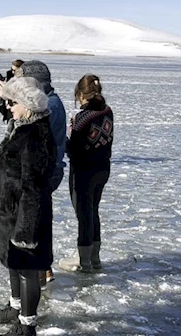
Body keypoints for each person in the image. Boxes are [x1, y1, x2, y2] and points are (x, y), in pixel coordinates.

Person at [0, 77, 56, 336]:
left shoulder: (34, 136)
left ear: (27, 105)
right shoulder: (23, 127)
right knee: (14, 264)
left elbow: (34, 186)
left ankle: (27, 328)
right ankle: (15, 311)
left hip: (25, 217)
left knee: (26, 269)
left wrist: (25, 231)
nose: (9, 107)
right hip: (10, 213)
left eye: (13, 102)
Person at [17, 60, 66, 287]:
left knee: (36, 220)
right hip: (47, 170)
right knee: (39, 218)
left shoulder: (50, 105)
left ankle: (39, 271)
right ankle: (44, 269)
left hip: (45, 172)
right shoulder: (51, 101)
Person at [58, 74, 113, 273]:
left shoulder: (83, 118)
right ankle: (95, 258)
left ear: (80, 94)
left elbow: (74, 149)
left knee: (84, 215)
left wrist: (64, 136)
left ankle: (85, 262)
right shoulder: (107, 111)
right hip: (103, 169)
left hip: (84, 172)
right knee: (93, 211)